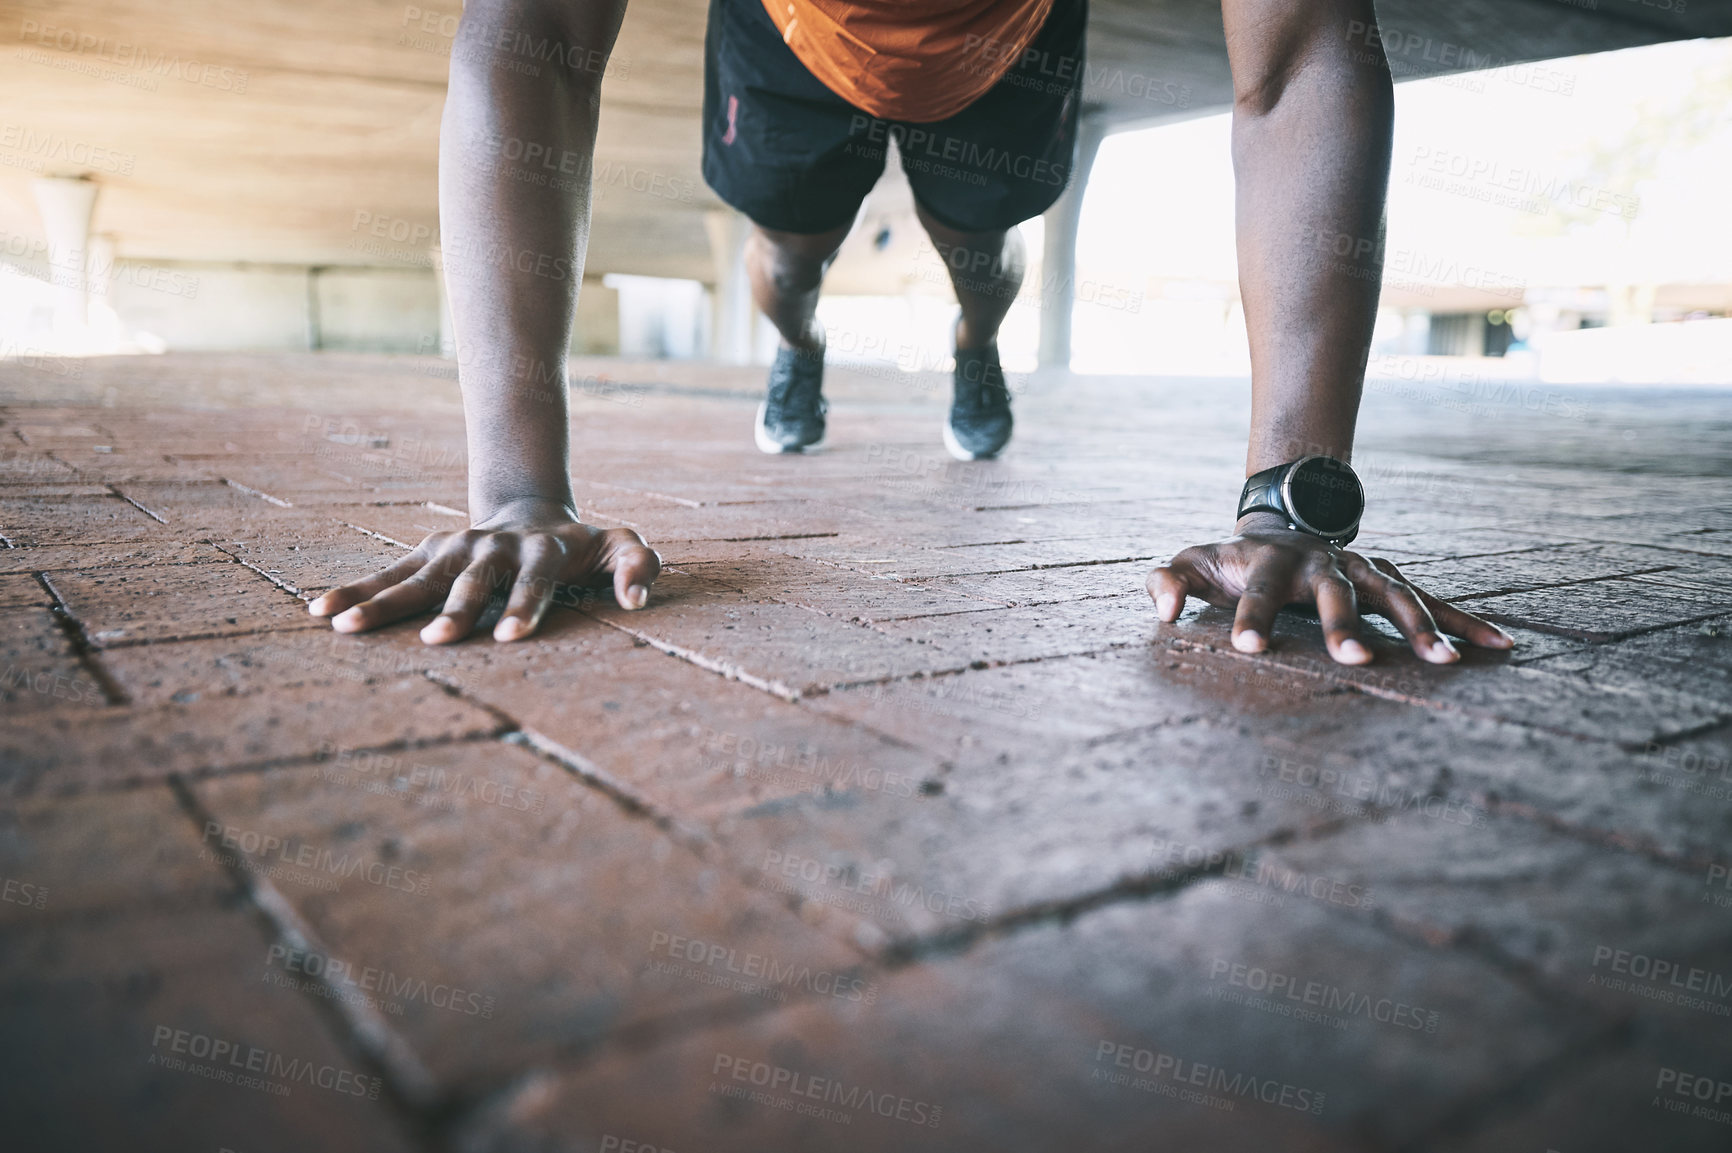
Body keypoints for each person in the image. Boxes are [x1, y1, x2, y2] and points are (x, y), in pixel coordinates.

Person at [310, 0, 1513, 668]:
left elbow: (1298, 60)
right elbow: (536, 45)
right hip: (791, 37)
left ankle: (974, 344)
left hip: (1009, 36)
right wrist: (519, 495)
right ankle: (800, 346)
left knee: (979, 258)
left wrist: (1287, 509)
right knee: (789, 257)